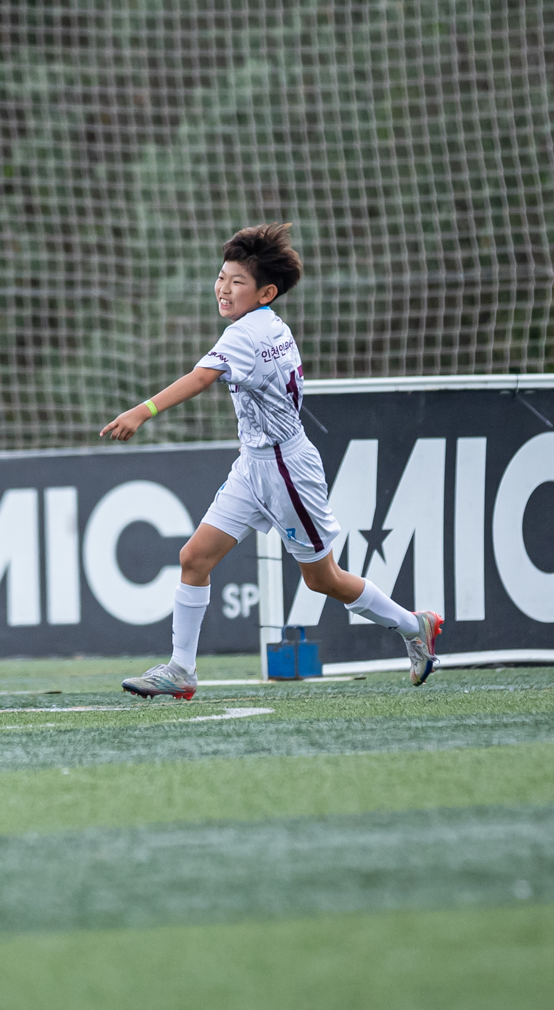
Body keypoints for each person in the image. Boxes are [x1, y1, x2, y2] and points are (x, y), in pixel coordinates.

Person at [101, 223, 442, 697]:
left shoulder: (248, 333)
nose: (223, 289)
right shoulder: (267, 325)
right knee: (194, 558)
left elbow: (200, 379)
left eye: (237, 282)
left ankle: (412, 625)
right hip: (254, 465)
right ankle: (181, 670)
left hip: (286, 471)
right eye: (221, 277)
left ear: (266, 293)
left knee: (323, 580)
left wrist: (143, 411)